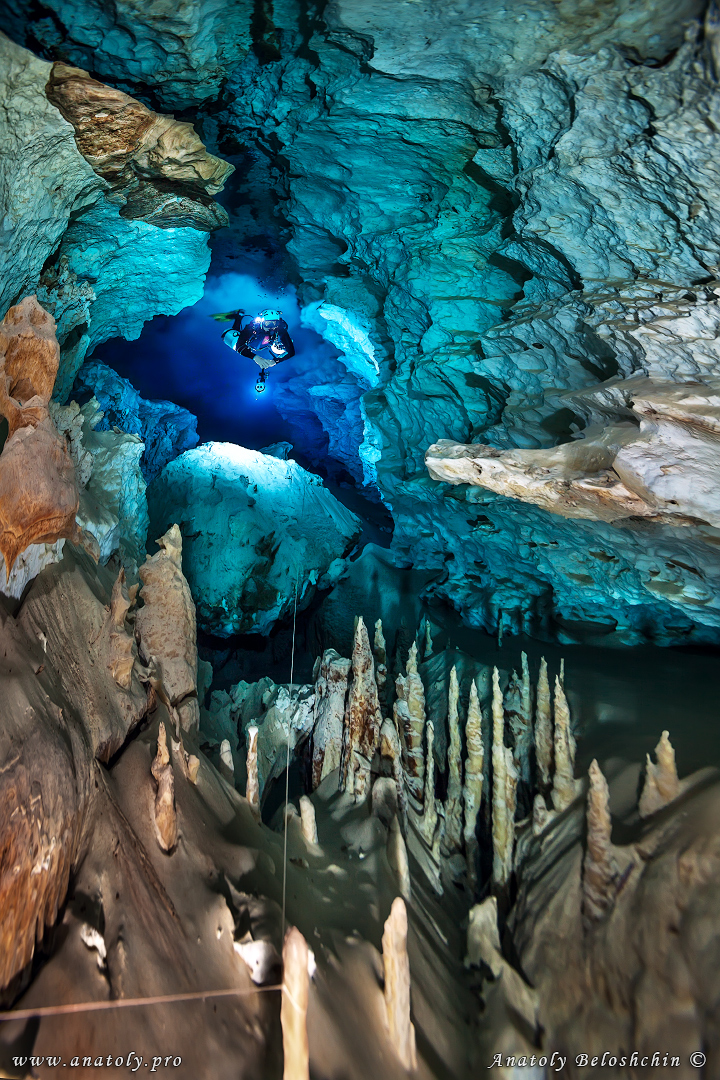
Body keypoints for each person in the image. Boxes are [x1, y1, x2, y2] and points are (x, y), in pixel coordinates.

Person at [222, 309, 295, 372]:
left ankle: (239, 317)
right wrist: (255, 357)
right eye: (268, 323)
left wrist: (275, 361)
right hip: (251, 342)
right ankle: (238, 317)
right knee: (230, 337)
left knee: (283, 348)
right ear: (262, 322)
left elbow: (291, 351)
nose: (271, 327)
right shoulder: (252, 327)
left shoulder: (280, 329)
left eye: (274, 323)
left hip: (267, 343)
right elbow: (239, 346)